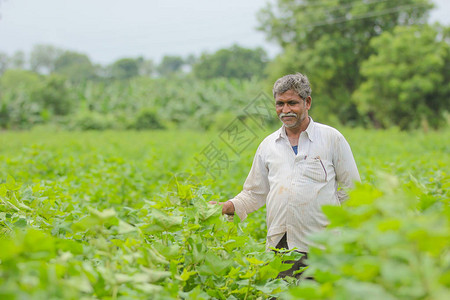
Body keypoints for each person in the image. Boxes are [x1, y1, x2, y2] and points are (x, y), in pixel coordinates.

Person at [211, 73, 360, 278]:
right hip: (281, 247)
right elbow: (255, 193)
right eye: (280, 104)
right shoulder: (268, 145)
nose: (285, 110)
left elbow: (353, 190)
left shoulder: (331, 139)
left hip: (323, 248)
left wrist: (331, 220)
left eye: (292, 103)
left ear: (307, 102)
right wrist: (228, 206)